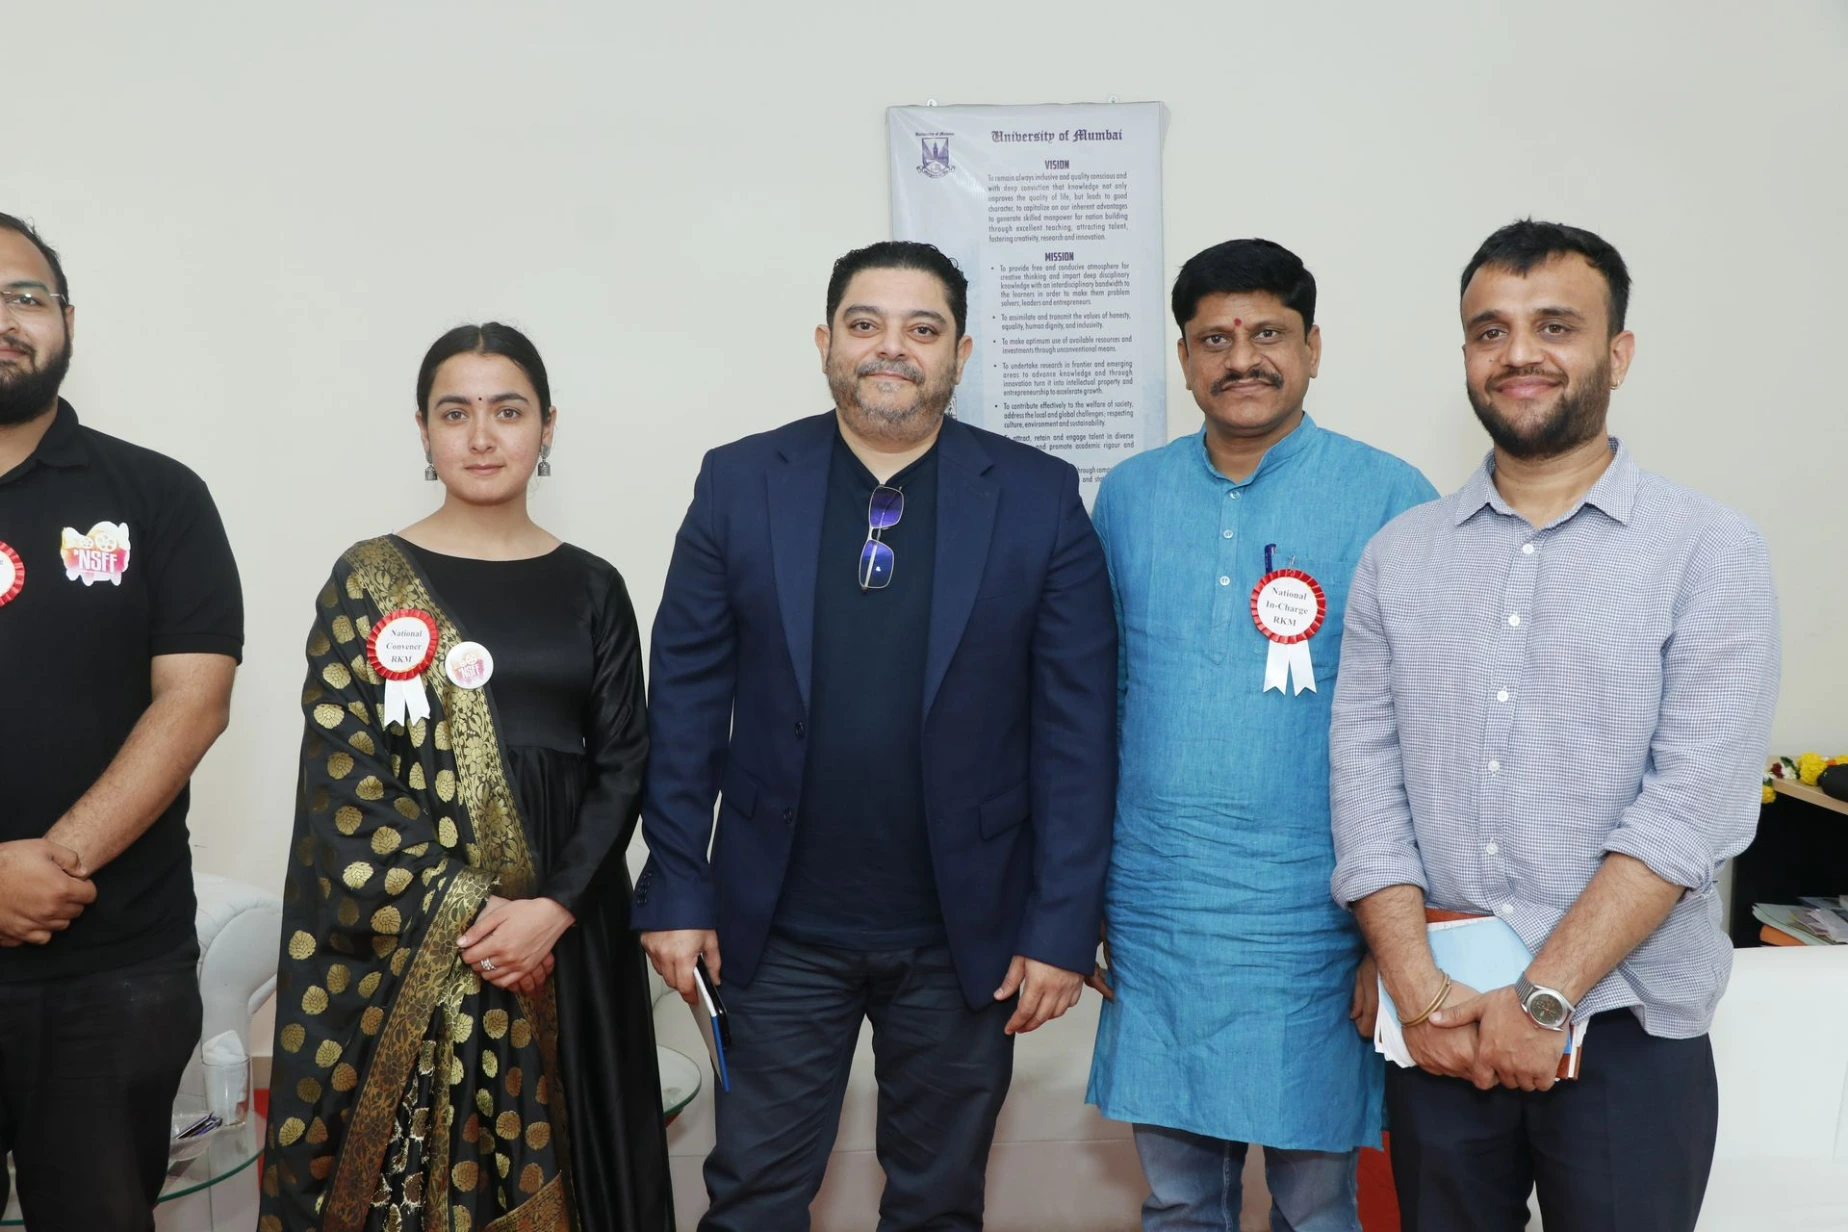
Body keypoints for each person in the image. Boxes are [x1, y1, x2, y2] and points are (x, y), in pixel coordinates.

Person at [635, 240, 1118, 1231]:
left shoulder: (1037, 495)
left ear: (959, 353)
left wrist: (1062, 925)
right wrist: (677, 885)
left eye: (921, 328)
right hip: (775, 930)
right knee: (754, 1197)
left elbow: (1078, 729)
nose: (891, 347)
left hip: (967, 934)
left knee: (938, 1204)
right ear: (826, 342)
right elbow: (683, 702)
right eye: (866, 324)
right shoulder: (740, 481)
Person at [1330, 220, 1781, 1232]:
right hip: (1440, 1022)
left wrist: (1544, 996)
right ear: (1466, 355)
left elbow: (1693, 809)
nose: (1519, 352)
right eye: (1490, 330)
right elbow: (1365, 787)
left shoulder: (1709, 549)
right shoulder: (1399, 557)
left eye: (1556, 326)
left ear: (1618, 353)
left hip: (1627, 1022)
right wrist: (1414, 985)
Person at [261, 323, 671, 1231]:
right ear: (423, 430)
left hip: (568, 934)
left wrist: (550, 910)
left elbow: (625, 760)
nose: (482, 436)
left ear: (548, 426)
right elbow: (343, 777)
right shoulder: (366, 581)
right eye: (456, 413)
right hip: (414, 944)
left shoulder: (592, 585)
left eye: (507, 411)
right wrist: (471, 913)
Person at [1084, 239, 1437, 1231]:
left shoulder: (1391, 495)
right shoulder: (1129, 496)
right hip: (1159, 912)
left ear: (1313, 347)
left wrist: (1393, 939)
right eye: (1214, 339)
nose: (1242, 359)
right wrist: (1081, 897)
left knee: (1317, 1206)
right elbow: (1098, 702)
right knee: (1177, 1200)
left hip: (1317, 919)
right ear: (1185, 357)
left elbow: (1424, 732)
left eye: (1269, 334)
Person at [0, 212, 242, 1229]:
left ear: (67, 321)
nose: (5, 318)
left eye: (25, 296)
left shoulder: (158, 495)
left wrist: (50, 864)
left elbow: (195, 700)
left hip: (114, 974)